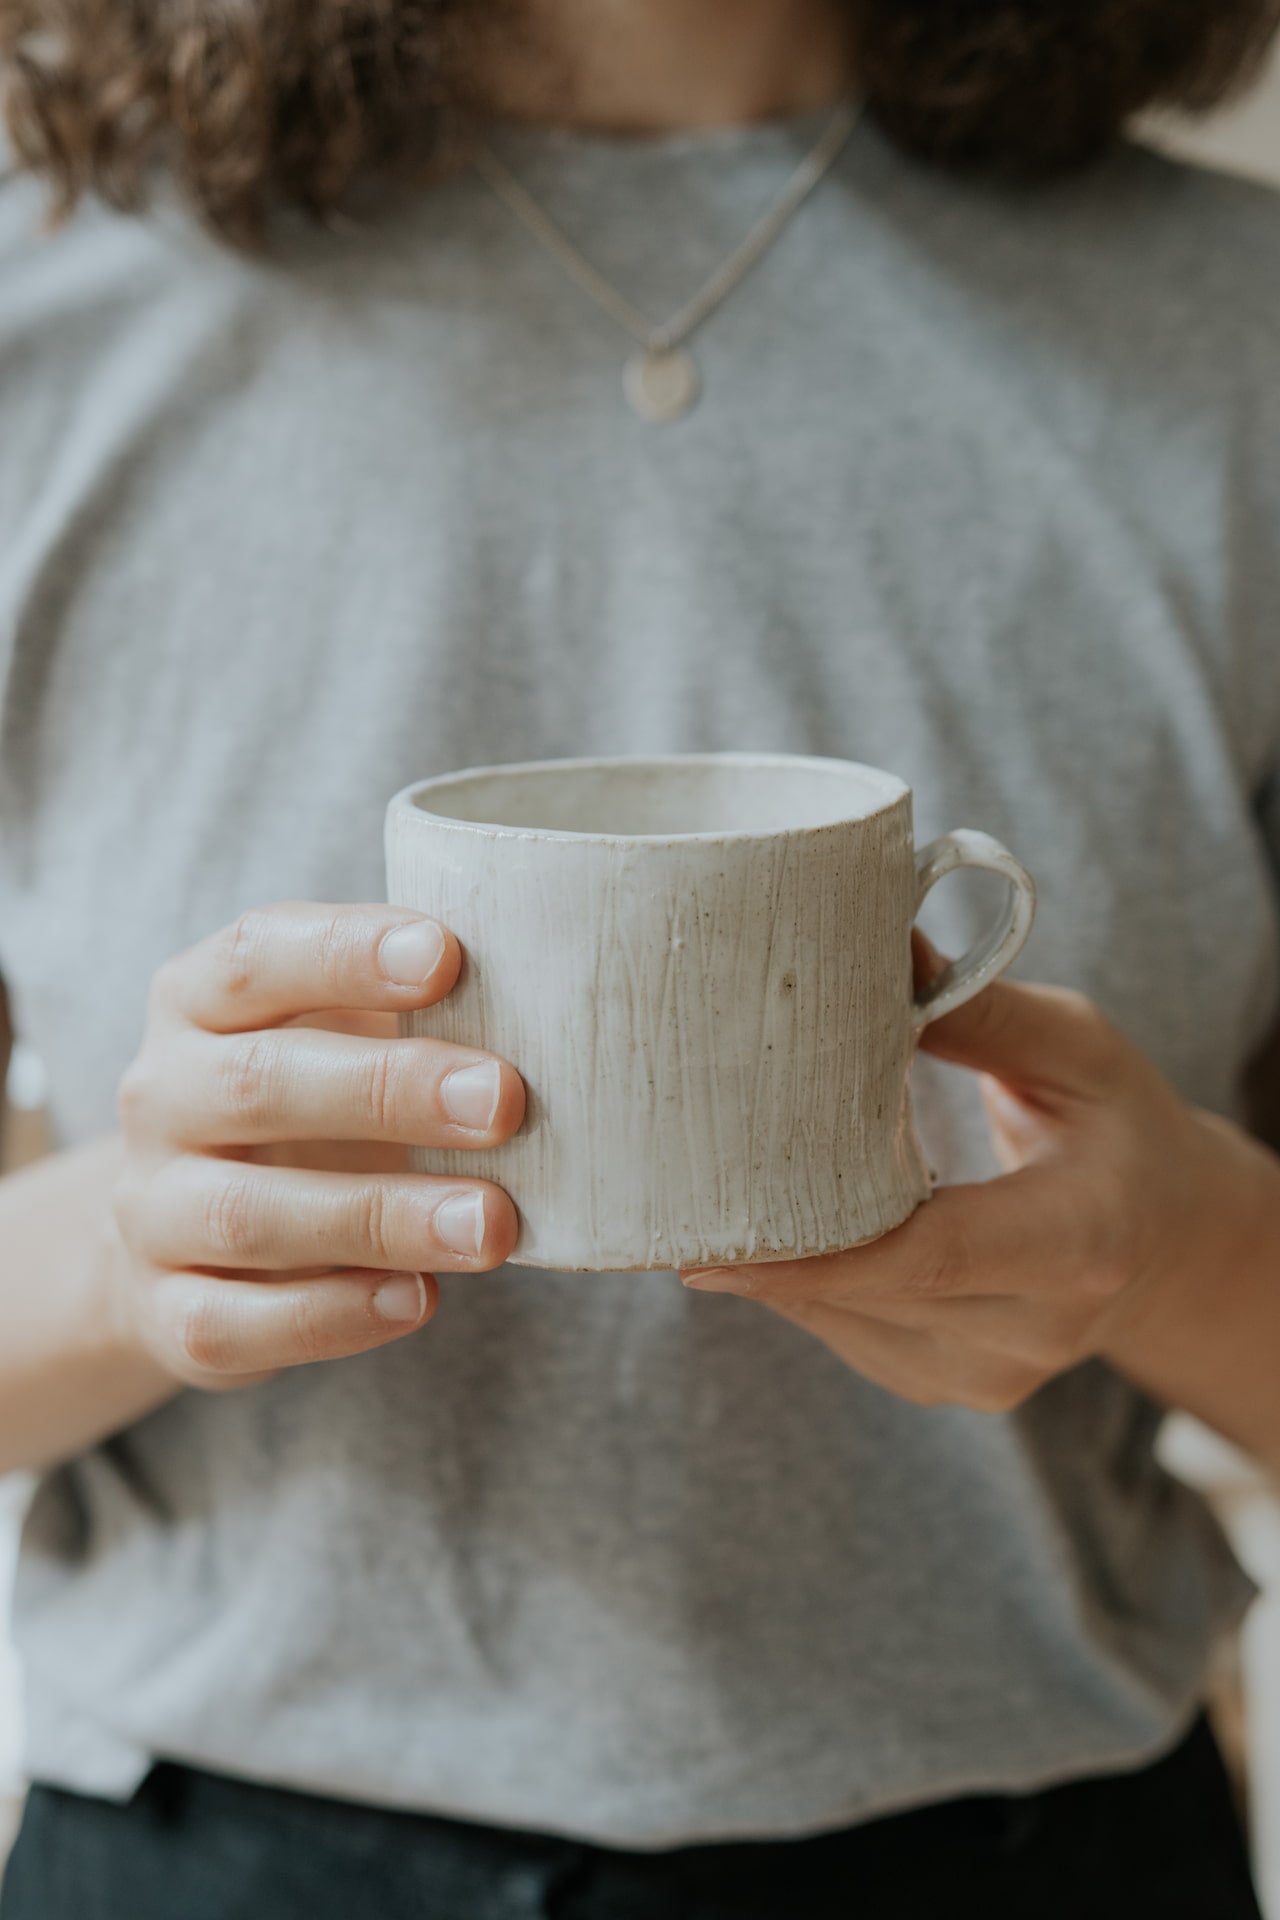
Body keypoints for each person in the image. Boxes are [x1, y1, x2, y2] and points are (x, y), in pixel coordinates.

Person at [0, 0, 1278, 1912]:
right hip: (212, 1850)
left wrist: (1180, 1252)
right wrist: (127, 1256)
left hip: (1042, 1850)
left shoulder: (1242, 337)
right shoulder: (38, 320)